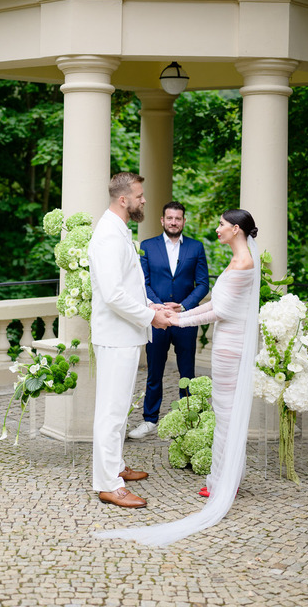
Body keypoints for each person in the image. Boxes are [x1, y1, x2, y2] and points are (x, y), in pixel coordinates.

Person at [95, 209, 261, 545]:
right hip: (221, 339)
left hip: (231, 344)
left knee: (227, 414)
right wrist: (177, 311)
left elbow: (223, 310)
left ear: (237, 229)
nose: (217, 229)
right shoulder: (236, 258)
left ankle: (226, 481)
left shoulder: (243, 263)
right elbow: (217, 301)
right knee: (223, 412)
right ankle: (220, 478)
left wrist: (175, 320)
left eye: (221, 225)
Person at [87, 172, 172, 509]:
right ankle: (108, 484)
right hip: (115, 336)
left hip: (126, 333)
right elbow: (112, 294)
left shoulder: (119, 230)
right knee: (111, 411)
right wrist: (152, 317)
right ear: (124, 199)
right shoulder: (108, 234)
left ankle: (117, 467)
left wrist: (152, 305)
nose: (144, 200)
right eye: (139, 195)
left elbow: (129, 286)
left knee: (121, 408)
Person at [128, 201, 210, 440]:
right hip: (157, 319)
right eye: (170, 218)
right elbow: (142, 282)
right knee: (155, 372)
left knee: (188, 372)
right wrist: (158, 306)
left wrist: (183, 306)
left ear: (184, 221)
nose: (174, 222)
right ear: (162, 220)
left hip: (185, 319)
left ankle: (190, 420)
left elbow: (203, 283)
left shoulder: (196, 247)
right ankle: (149, 420)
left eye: (178, 218)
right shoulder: (147, 246)